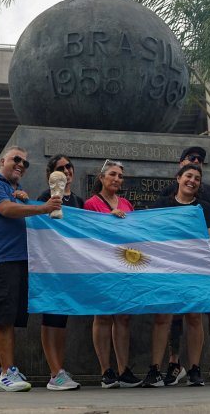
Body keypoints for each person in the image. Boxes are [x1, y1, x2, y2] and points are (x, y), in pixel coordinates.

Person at [0, 147, 62, 392]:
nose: (21, 165)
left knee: (4, 321)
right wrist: (43, 208)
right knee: (3, 321)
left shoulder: (11, 190)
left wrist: (20, 196)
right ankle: (7, 373)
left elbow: (14, 205)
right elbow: (7, 210)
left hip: (16, 261)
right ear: (3, 160)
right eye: (16, 159)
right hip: (0, 261)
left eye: (25, 162)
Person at [144, 163, 210, 387]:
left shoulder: (204, 207)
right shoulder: (162, 204)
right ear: (178, 178)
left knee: (195, 316)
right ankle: (155, 370)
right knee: (163, 317)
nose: (192, 180)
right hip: (167, 268)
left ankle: (195, 370)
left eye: (196, 178)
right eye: (188, 176)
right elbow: (148, 230)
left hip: (195, 268)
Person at [83, 159, 142, 387]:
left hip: (125, 267)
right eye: (112, 175)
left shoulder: (127, 204)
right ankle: (106, 370)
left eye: (120, 176)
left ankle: (123, 369)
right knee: (103, 315)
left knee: (124, 317)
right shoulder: (91, 203)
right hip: (101, 266)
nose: (117, 179)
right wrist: (110, 220)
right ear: (102, 178)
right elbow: (89, 233)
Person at [33, 155, 85, 390]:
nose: (67, 171)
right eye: (61, 168)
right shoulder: (46, 198)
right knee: (50, 317)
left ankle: (59, 369)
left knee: (61, 319)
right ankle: (54, 372)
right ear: (51, 174)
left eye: (69, 167)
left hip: (70, 268)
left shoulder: (78, 200)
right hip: (50, 266)